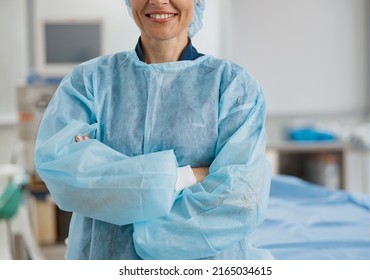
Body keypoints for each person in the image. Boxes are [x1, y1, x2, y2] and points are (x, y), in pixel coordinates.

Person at [34, 0, 272, 260]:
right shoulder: (88, 83)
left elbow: (239, 198)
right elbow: (64, 172)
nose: (159, 1)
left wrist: (120, 198)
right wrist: (184, 176)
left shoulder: (233, 86)